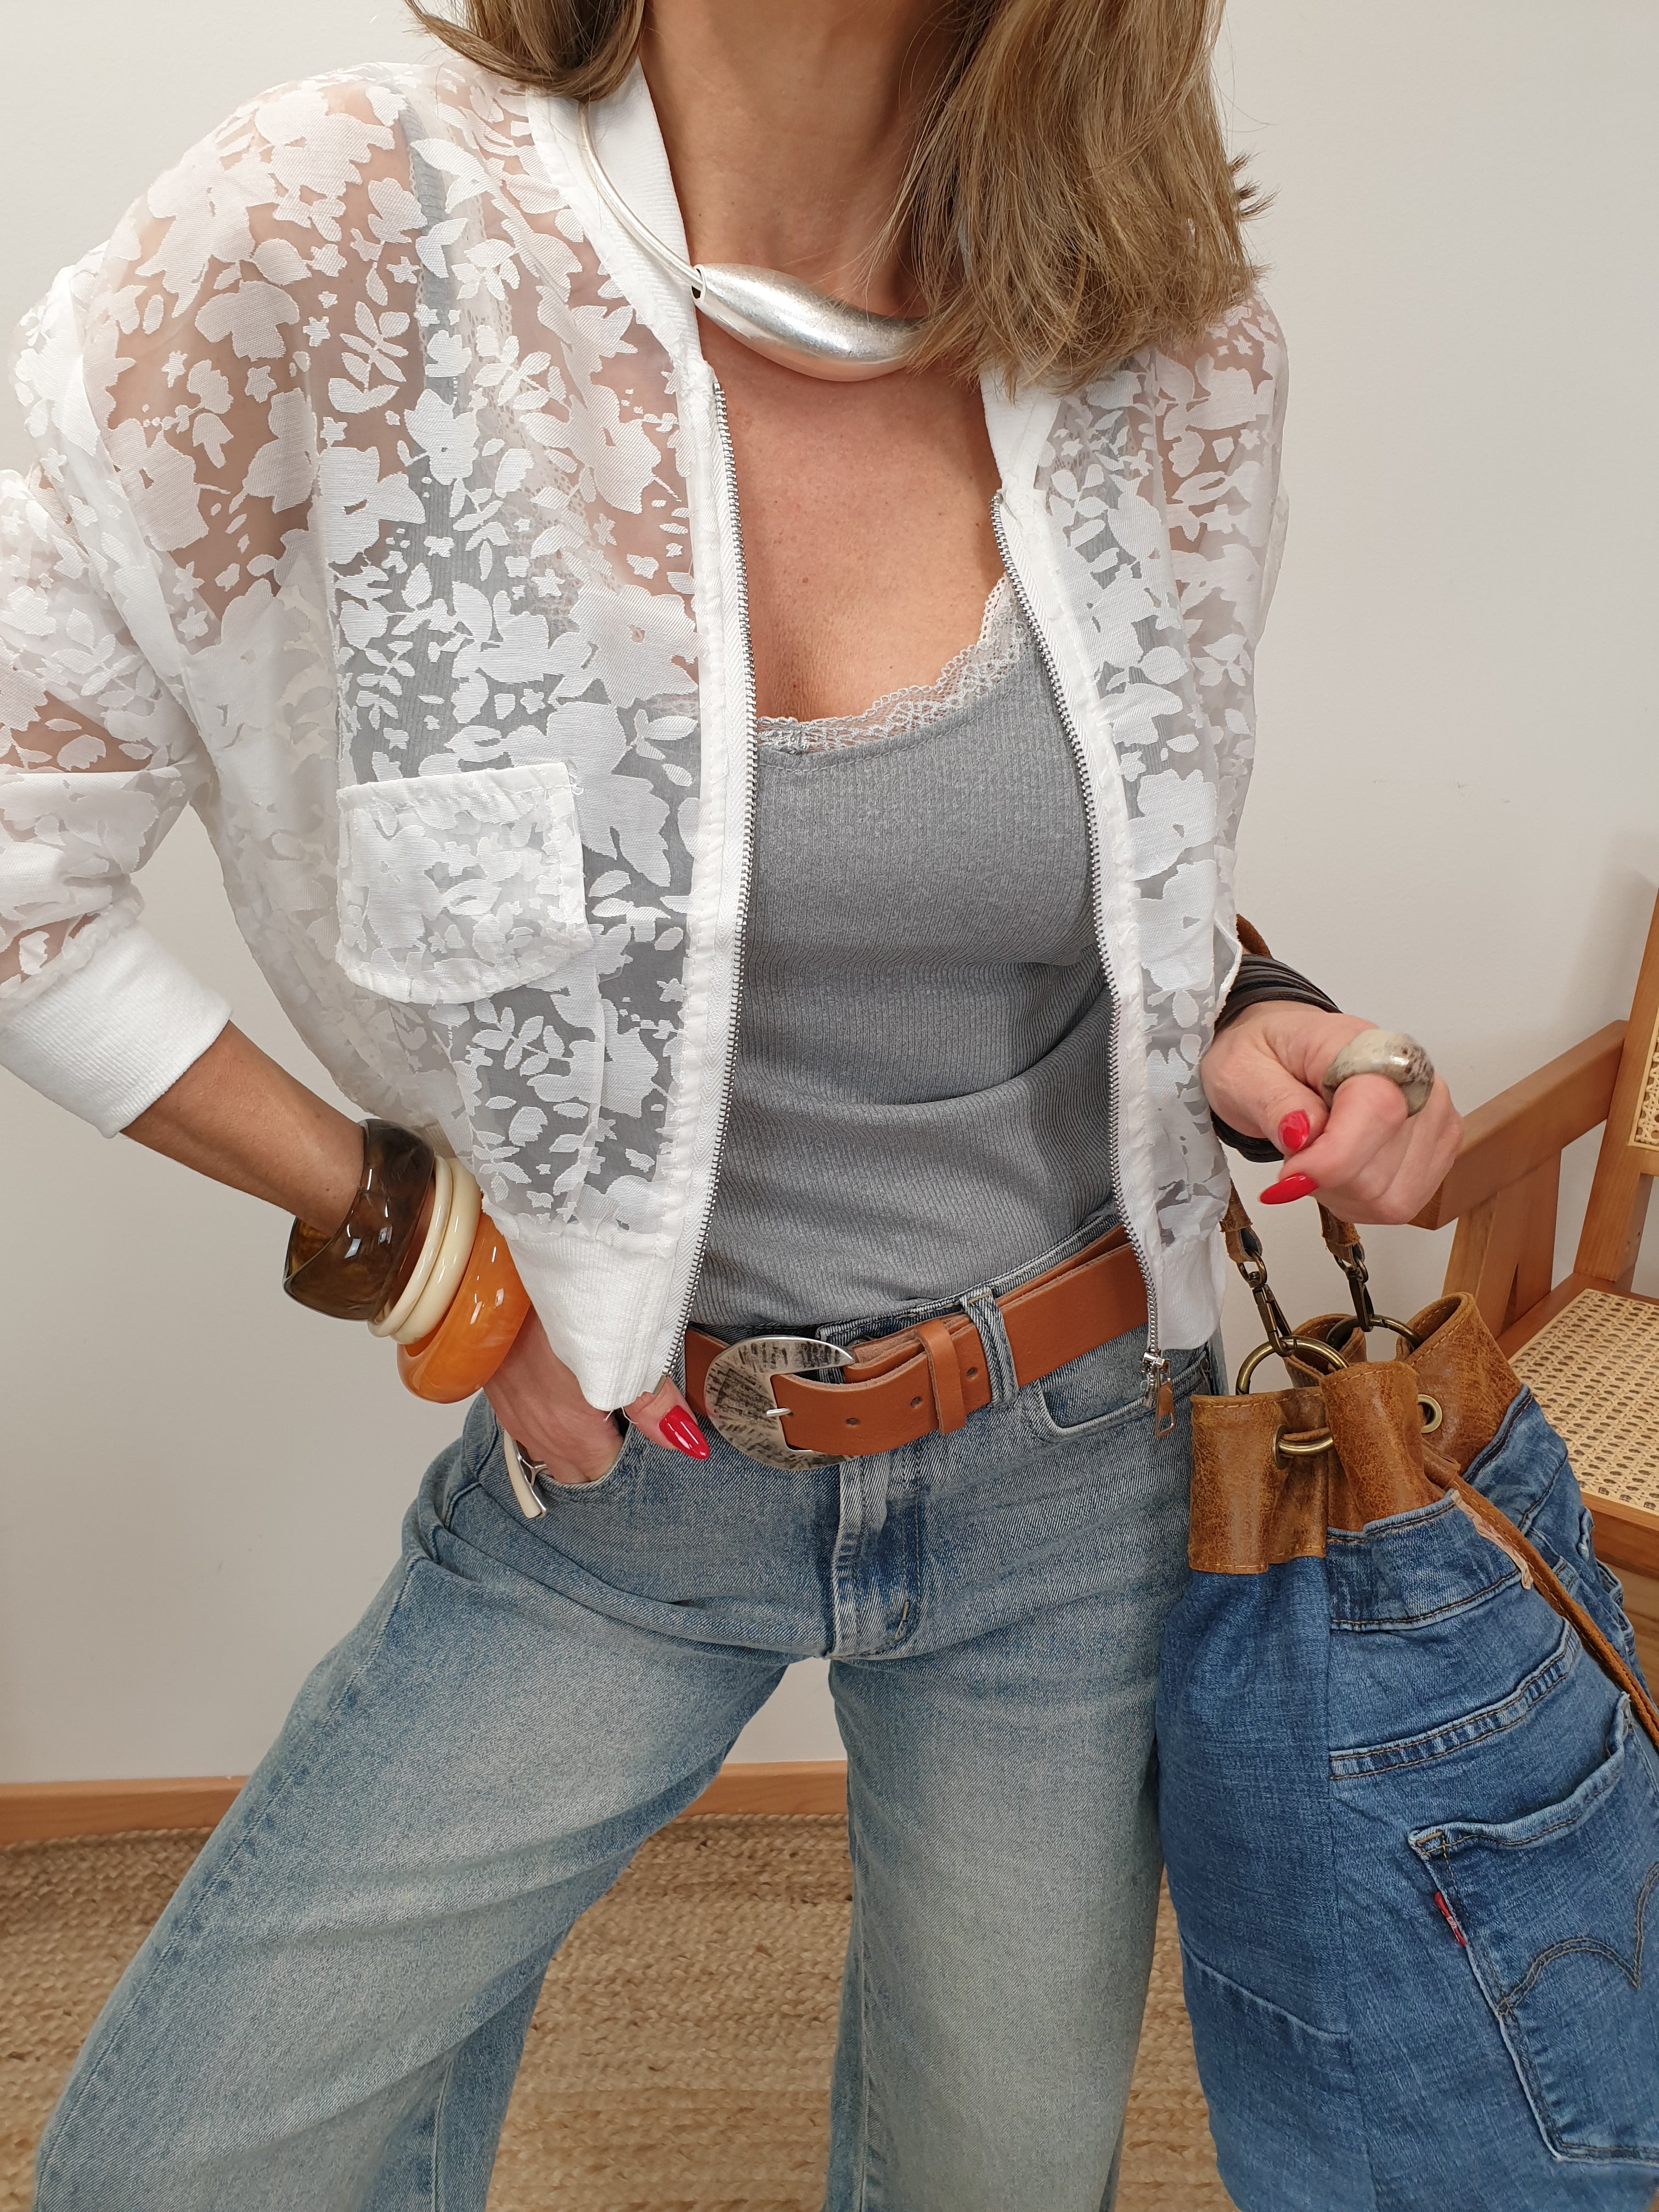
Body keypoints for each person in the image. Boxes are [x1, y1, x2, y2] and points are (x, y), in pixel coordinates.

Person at [0, 1, 1461, 2205]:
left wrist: (1276, 1019)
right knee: (177, 2169)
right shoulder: (344, 232)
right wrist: (422, 1246)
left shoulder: (1170, 348)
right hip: (634, 1471)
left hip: (1074, 1466)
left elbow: (1110, 865)